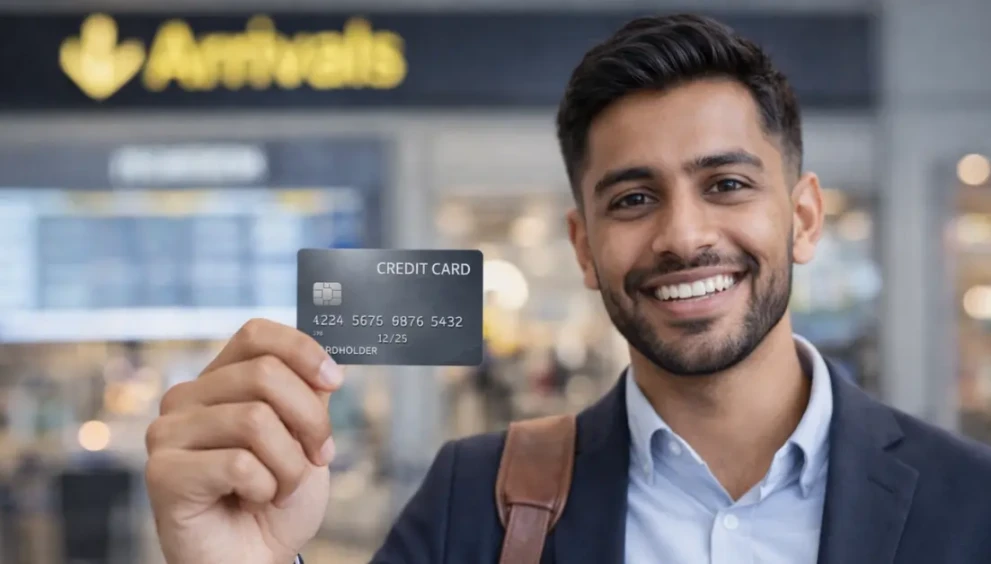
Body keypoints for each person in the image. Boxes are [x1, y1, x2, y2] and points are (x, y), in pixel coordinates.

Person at [144, 13, 991, 564]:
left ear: (802, 219)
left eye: (727, 185)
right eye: (632, 199)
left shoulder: (969, 501)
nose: (683, 235)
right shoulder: (474, 501)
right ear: (583, 248)